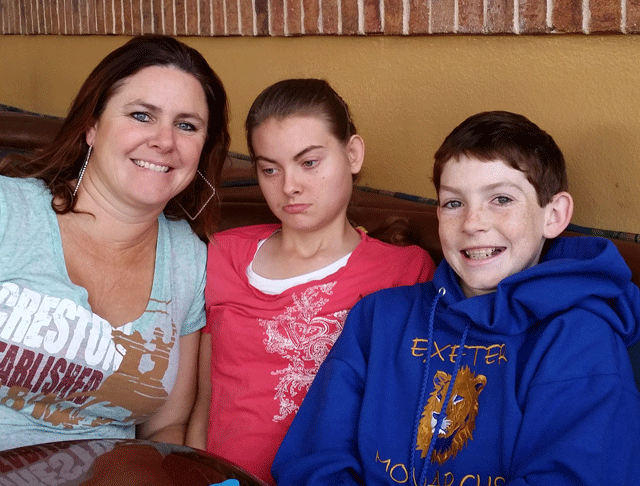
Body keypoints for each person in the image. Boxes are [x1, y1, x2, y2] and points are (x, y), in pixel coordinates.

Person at [272, 111, 640, 485]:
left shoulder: (580, 339)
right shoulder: (378, 318)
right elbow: (315, 459)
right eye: (453, 203)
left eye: (501, 199)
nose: (472, 223)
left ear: (554, 214)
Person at [186, 78, 436, 484]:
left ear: (352, 153)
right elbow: (204, 401)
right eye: (269, 169)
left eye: (309, 162)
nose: (289, 186)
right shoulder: (222, 254)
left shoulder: (404, 271)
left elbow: (402, 414)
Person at [0, 35, 229, 449]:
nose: (164, 140)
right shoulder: (7, 211)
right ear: (92, 125)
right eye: (142, 116)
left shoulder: (190, 261)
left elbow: (165, 430)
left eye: (187, 125)